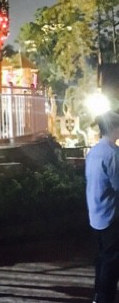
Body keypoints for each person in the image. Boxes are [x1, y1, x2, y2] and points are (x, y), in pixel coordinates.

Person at [85, 110, 119, 303]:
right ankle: (104, 298)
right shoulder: (113, 154)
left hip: (95, 213)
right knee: (111, 262)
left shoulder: (94, 151)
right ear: (114, 128)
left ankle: (98, 296)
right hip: (112, 215)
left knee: (101, 258)